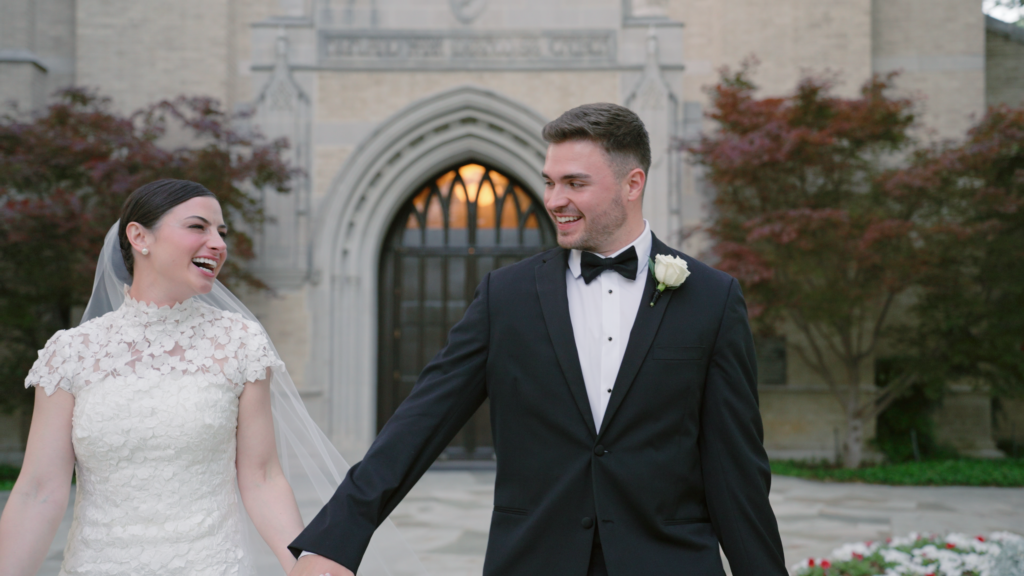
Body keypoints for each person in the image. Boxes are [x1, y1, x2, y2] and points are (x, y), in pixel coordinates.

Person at [289, 103, 787, 576]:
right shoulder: (505, 297)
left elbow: (736, 469)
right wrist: (336, 539)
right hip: (533, 559)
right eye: (549, 182)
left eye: (575, 183)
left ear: (632, 184)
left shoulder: (712, 298)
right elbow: (419, 423)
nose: (553, 200)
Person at [0, 179, 424, 576]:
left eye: (222, 232)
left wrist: (298, 565)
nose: (218, 244)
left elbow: (262, 477)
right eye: (198, 227)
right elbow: (38, 490)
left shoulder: (238, 343)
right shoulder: (71, 353)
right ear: (139, 237)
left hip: (211, 564)